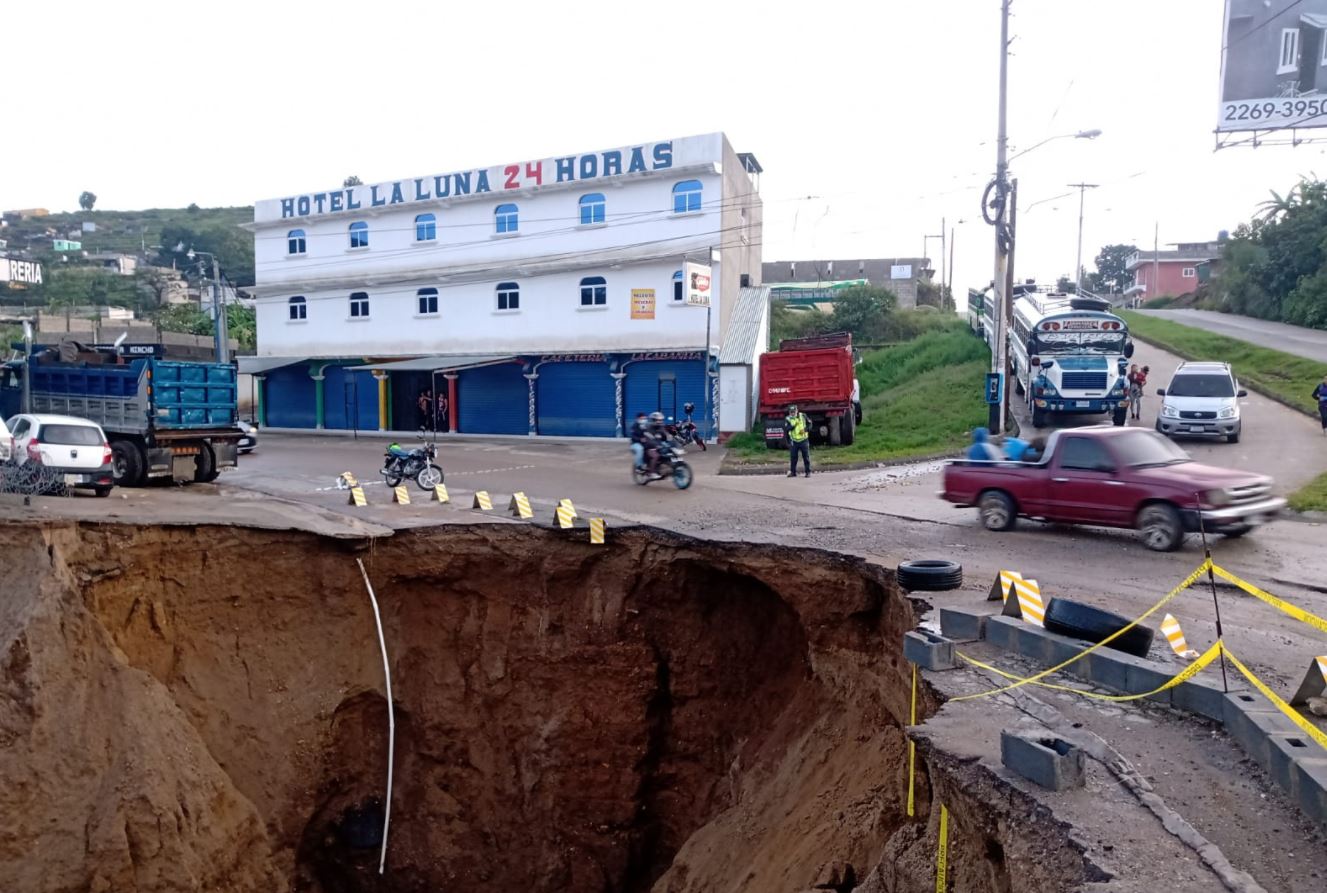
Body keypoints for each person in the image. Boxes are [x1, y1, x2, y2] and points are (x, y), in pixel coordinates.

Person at [784, 403, 811, 477]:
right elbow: (787, 429)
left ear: (797, 411)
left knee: (806, 457)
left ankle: (808, 472)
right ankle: (793, 472)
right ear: (789, 412)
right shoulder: (788, 419)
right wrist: (793, 425)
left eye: (794, 411)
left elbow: (810, 424)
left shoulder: (803, 416)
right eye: (791, 412)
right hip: (794, 441)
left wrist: (805, 430)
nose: (793, 413)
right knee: (793, 457)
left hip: (804, 440)